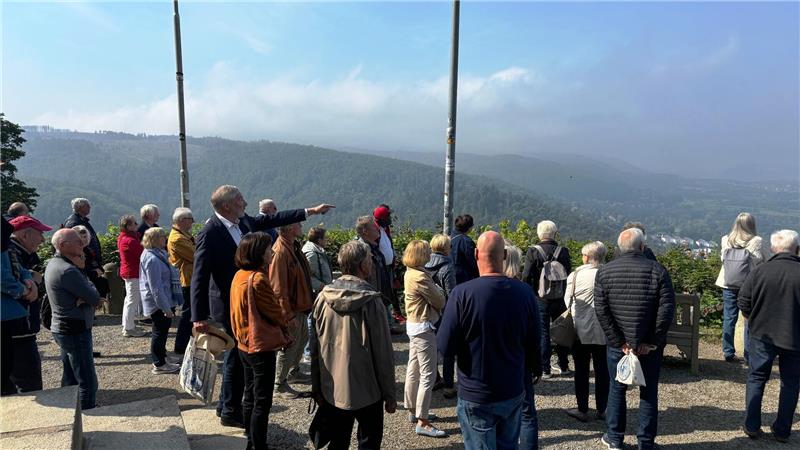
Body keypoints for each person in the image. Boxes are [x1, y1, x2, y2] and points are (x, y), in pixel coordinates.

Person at [191, 184, 333, 428]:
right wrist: (198, 315)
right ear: (226, 206)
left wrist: (310, 211)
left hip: (250, 300)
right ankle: (229, 409)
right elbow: (199, 275)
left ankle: (227, 405)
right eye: (240, 200)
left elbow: (275, 218)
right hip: (229, 303)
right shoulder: (211, 232)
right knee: (236, 356)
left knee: (238, 356)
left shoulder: (244, 222)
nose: (245, 203)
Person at [438, 231, 542, 450]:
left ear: (476, 253)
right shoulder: (525, 294)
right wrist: (534, 369)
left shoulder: (461, 294)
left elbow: (445, 346)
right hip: (512, 388)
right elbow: (535, 342)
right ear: (504, 255)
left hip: (475, 390)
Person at [310, 241, 397, 449]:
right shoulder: (371, 302)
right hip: (368, 389)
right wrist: (390, 394)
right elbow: (383, 353)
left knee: (337, 441)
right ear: (362, 265)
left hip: (333, 388)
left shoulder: (323, 298)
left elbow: (315, 349)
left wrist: (317, 388)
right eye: (369, 260)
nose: (372, 264)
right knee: (368, 442)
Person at [595, 228, 675, 450]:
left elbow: (602, 310)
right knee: (648, 392)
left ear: (620, 248)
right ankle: (646, 442)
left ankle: (614, 438)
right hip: (647, 347)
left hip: (618, 347)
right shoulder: (658, 271)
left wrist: (619, 341)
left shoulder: (605, 272)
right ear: (643, 247)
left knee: (616, 389)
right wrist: (650, 341)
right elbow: (666, 311)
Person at [738, 229, 800, 443]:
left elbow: (743, 302)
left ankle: (752, 425)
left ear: (773, 249)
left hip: (762, 334)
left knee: (756, 378)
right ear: (797, 249)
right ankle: (783, 430)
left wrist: (752, 319)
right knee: (791, 383)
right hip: (795, 337)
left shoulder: (760, 271)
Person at [230, 232, 287, 450]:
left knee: (250, 393)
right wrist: (285, 322)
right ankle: (258, 445)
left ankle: (250, 437)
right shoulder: (259, 278)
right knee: (263, 401)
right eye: (267, 249)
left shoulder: (239, 275)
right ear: (258, 253)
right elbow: (275, 312)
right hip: (260, 345)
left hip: (243, 343)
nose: (271, 252)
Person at [45, 229, 102, 410]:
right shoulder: (68, 270)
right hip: (74, 327)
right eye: (77, 242)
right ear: (63, 246)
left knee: (70, 375)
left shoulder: (54, 263)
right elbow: (94, 297)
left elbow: (88, 296)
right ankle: (88, 414)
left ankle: (71, 413)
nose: (82, 244)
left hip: (62, 327)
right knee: (87, 379)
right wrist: (87, 286)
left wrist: (84, 295)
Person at [403, 240, 447, 438]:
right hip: (424, 326)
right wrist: (441, 291)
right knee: (428, 374)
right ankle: (423, 420)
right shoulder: (421, 276)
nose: (430, 253)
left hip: (413, 325)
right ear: (421, 254)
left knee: (414, 369)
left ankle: (413, 410)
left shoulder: (409, 272)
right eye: (427, 251)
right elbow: (439, 300)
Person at [564, 241, 609, 423]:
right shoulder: (607, 274)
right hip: (603, 330)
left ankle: (582, 409)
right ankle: (603, 409)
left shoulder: (575, 276)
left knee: (581, 371)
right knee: (602, 371)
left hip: (579, 330)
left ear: (587, 257)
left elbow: (567, 301)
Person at [715, 212, 768, 364]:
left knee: (729, 317)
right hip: (749, 285)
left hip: (728, 283)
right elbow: (767, 259)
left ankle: (728, 352)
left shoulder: (726, 239)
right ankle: (748, 354)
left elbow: (722, 259)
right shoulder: (757, 241)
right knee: (749, 319)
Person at [522, 220, 573, 379]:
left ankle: (545, 369)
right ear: (555, 233)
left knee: (543, 332)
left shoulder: (533, 251)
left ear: (539, 234)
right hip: (560, 297)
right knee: (562, 329)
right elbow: (569, 272)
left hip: (540, 298)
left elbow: (526, 276)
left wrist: (531, 294)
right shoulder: (562, 251)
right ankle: (564, 365)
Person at [270, 222, 314, 399]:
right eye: (298, 224)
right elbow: (278, 287)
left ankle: (293, 372)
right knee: (288, 345)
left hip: (300, 305)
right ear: (289, 229)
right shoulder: (280, 252)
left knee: (301, 340)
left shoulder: (292, 247)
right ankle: (279, 384)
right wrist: (287, 315)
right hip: (292, 308)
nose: (301, 226)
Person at [7, 216, 51, 393]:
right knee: (27, 384)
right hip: (18, 330)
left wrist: (31, 278)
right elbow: (9, 281)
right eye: (39, 233)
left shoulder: (18, 253)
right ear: (25, 235)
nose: (42, 239)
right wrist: (28, 286)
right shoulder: (11, 253)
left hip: (18, 329)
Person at [1, 217, 37, 396]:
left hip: (12, 314)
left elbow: (14, 261)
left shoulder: (6, 243)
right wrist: (23, 290)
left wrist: (28, 279)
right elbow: (2, 277)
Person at [140, 227, 182, 374]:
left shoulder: (156, 254)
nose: (165, 239)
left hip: (163, 300)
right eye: (163, 236)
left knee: (162, 332)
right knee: (159, 332)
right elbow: (156, 288)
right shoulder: (152, 259)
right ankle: (159, 364)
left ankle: (163, 357)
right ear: (155, 239)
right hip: (158, 303)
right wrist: (166, 308)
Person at [425, 234, 457, 399]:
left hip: (428, 311)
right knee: (448, 349)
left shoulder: (424, 264)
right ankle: (449, 386)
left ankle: (435, 378)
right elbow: (452, 293)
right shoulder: (447, 266)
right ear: (446, 248)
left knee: (431, 346)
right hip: (444, 312)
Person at [355, 215, 398, 332]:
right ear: (365, 231)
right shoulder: (361, 250)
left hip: (378, 297)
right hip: (370, 299)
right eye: (374, 227)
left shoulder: (374, 246)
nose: (377, 228)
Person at [302, 226, 333, 362]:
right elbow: (308, 276)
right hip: (316, 292)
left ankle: (312, 349)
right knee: (311, 320)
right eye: (325, 238)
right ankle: (308, 351)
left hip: (319, 290)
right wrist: (322, 286)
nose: (327, 240)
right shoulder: (312, 253)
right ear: (319, 240)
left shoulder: (315, 250)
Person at [168, 207, 196, 354]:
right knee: (188, 314)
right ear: (182, 221)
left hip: (190, 277)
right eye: (191, 219)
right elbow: (195, 255)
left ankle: (189, 343)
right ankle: (181, 346)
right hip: (187, 279)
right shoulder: (178, 238)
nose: (193, 222)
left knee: (191, 312)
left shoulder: (183, 235)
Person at [374, 204, 405, 325]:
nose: (390, 218)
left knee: (391, 291)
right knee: (385, 293)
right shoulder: (375, 230)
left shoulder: (384, 229)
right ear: (382, 218)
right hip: (381, 268)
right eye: (388, 216)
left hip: (389, 266)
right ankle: (388, 320)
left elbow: (388, 246)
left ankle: (393, 316)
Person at [117, 215, 148, 337]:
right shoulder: (130, 241)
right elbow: (142, 254)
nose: (137, 225)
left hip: (129, 272)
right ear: (129, 226)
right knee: (132, 301)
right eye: (135, 223)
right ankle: (129, 328)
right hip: (133, 273)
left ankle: (127, 325)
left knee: (129, 300)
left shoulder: (123, 238)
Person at [72, 225, 109, 301]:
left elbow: (97, 265)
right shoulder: (74, 253)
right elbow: (80, 272)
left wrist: (99, 270)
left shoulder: (88, 250)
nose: (83, 239)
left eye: (85, 237)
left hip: (96, 286)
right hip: (85, 287)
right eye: (80, 237)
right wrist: (95, 273)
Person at [63, 198, 102, 268]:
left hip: (88, 259)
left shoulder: (81, 220)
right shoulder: (74, 223)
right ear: (79, 207)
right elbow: (77, 244)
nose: (90, 207)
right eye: (87, 205)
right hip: (85, 261)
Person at [450, 214, 479, 285]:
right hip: (464, 279)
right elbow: (473, 263)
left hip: (449, 276)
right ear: (469, 228)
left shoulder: (447, 238)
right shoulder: (467, 242)